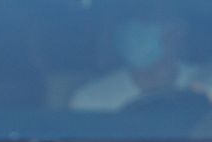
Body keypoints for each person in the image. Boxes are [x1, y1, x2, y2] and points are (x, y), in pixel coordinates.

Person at [71, 14, 210, 112]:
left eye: (147, 19)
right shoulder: (90, 100)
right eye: (128, 20)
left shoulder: (207, 87)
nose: (133, 28)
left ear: (177, 30)